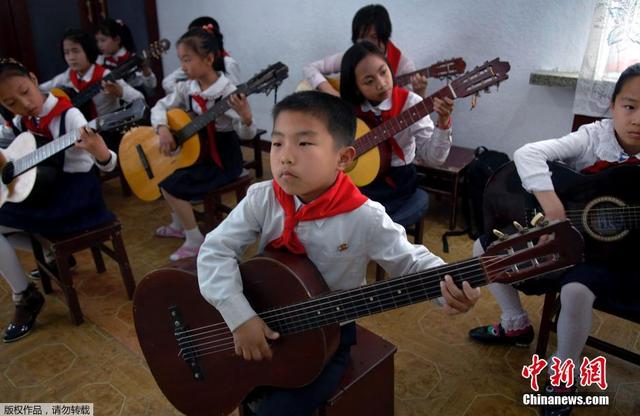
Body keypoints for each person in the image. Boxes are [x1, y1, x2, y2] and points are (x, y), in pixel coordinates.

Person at [197, 90, 480, 415]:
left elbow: (411, 261)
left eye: (303, 143)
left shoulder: (363, 215)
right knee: (238, 384)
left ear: (343, 158)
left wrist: (449, 287)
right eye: (277, 143)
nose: (285, 157)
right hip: (264, 311)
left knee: (278, 410)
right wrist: (239, 315)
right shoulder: (263, 198)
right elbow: (215, 250)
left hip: (328, 333)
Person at [468, 63, 640, 416]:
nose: (638, 118)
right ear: (613, 105)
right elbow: (528, 154)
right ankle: (515, 323)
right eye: (630, 106)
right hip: (573, 239)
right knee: (484, 249)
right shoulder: (594, 137)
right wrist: (552, 204)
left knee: (576, 291)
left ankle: (565, 376)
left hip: (619, 258)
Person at [0, 58, 118, 342]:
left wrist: (101, 151)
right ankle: (45, 259)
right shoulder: (19, 123)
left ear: (32, 76)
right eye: (10, 102)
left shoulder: (71, 116)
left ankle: (25, 296)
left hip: (77, 199)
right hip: (43, 195)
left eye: (24, 91)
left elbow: (110, 165)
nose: (24, 104)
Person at [151, 27, 256, 261]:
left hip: (222, 157)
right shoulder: (187, 87)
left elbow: (246, 134)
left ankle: (194, 238)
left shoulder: (228, 92)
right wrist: (163, 128)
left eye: (187, 60)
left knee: (170, 184)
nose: (183, 66)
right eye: (181, 60)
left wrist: (247, 117)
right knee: (163, 172)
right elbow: (159, 106)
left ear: (209, 59)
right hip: (197, 151)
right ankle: (180, 223)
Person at [339, 41, 453, 220]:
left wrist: (443, 121)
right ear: (355, 87)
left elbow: (434, 159)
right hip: (354, 183)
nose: (382, 84)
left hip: (395, 185)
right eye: (369, 81)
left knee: (367, 220)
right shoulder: (350, 108)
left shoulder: (411, 104)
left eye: (383, 72)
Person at [39, 29, 144, 150]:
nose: (71, 57)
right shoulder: (69, 75)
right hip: (82, 136)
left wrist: (120, 92)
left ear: (88, 51)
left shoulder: (105, 75)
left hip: (109, 134)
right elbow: (42, 89)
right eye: (66, 53)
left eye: (76, 51)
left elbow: (139, 98)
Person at [303, 4, 428, 97]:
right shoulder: (351, 57)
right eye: (362, 38)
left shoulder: (403, 66)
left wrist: (420, 92)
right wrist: (332, 93)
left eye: (373, 37)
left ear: (385, 36)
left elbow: (411, 116)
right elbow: (309, 68)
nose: (366, 44)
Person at [162, 16, 241, 94]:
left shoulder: (228, 63)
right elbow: (167, 83)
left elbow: (236, 95)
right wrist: (190, 91)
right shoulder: (191, 66)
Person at [95, 17, 157, 97]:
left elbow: (152, 84)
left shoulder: (132, 59)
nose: (99, 45)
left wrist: (145, 69)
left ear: (117, 40)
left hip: (133, 99)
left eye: (103, 40)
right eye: (97, 41)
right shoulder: (100, 60)